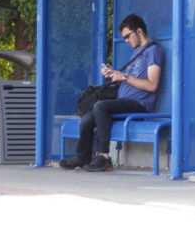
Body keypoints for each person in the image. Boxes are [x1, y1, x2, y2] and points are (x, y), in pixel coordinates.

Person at [60, 14, 165, 172]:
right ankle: (82, 158)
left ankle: (103, 157)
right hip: (123, 101)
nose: (126, 41)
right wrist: (115, 76)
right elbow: (129, 79)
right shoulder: (137, 52)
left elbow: (152, 85)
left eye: (128, 36)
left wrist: (124, 76)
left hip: (139, 104)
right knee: (87, 119)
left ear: (139, 31)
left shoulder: (153, 51)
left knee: (101, 106)